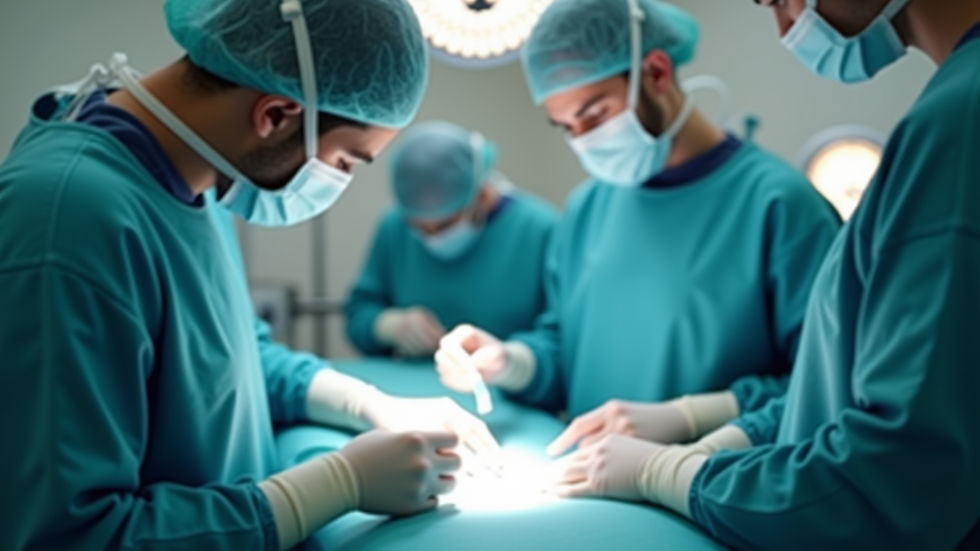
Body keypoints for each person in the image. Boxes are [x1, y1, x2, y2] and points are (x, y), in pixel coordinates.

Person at [0, 0, 500, 549]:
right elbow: (70, 535)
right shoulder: (65, 221)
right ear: (275, 115)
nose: (339, 182)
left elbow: (228, 359)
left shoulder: (192, 177)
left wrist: (367, 403)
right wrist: (334, 485)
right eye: (344, 163)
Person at [547, 0, 980, 549]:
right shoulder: (950, 112)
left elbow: (899, 475)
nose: (785, 29)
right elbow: (835, 391)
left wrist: (677, 469)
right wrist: (738, 436)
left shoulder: (954, 124)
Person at [436, 0, 841, 453]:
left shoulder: (780, 206)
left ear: (656, 73)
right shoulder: (587, 207)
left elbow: (824, 390)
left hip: (711, 498)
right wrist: (513, 361)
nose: (583, 140)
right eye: (566, 127)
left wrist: (691, 418)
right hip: (592, 489)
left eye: (594, 116)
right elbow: (567, 347)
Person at [346, 121, 558, 359]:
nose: (432, 237)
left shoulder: (539, 230)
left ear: (481, 193)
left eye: (445, 224)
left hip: (503, 391)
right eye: (419, 226)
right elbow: (358, 315)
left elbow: (558, 337)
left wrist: (512, 362)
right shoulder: (394, 225)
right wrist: (388, 327)